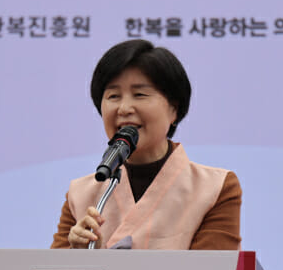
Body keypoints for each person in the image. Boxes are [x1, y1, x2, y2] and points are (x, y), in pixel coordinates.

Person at [51, 39, 241, 250]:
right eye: (113, 96)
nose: (124, 108)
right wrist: (79, 256)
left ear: (174, 109)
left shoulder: (214, 188)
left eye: (139, 94)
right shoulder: (81, 194)